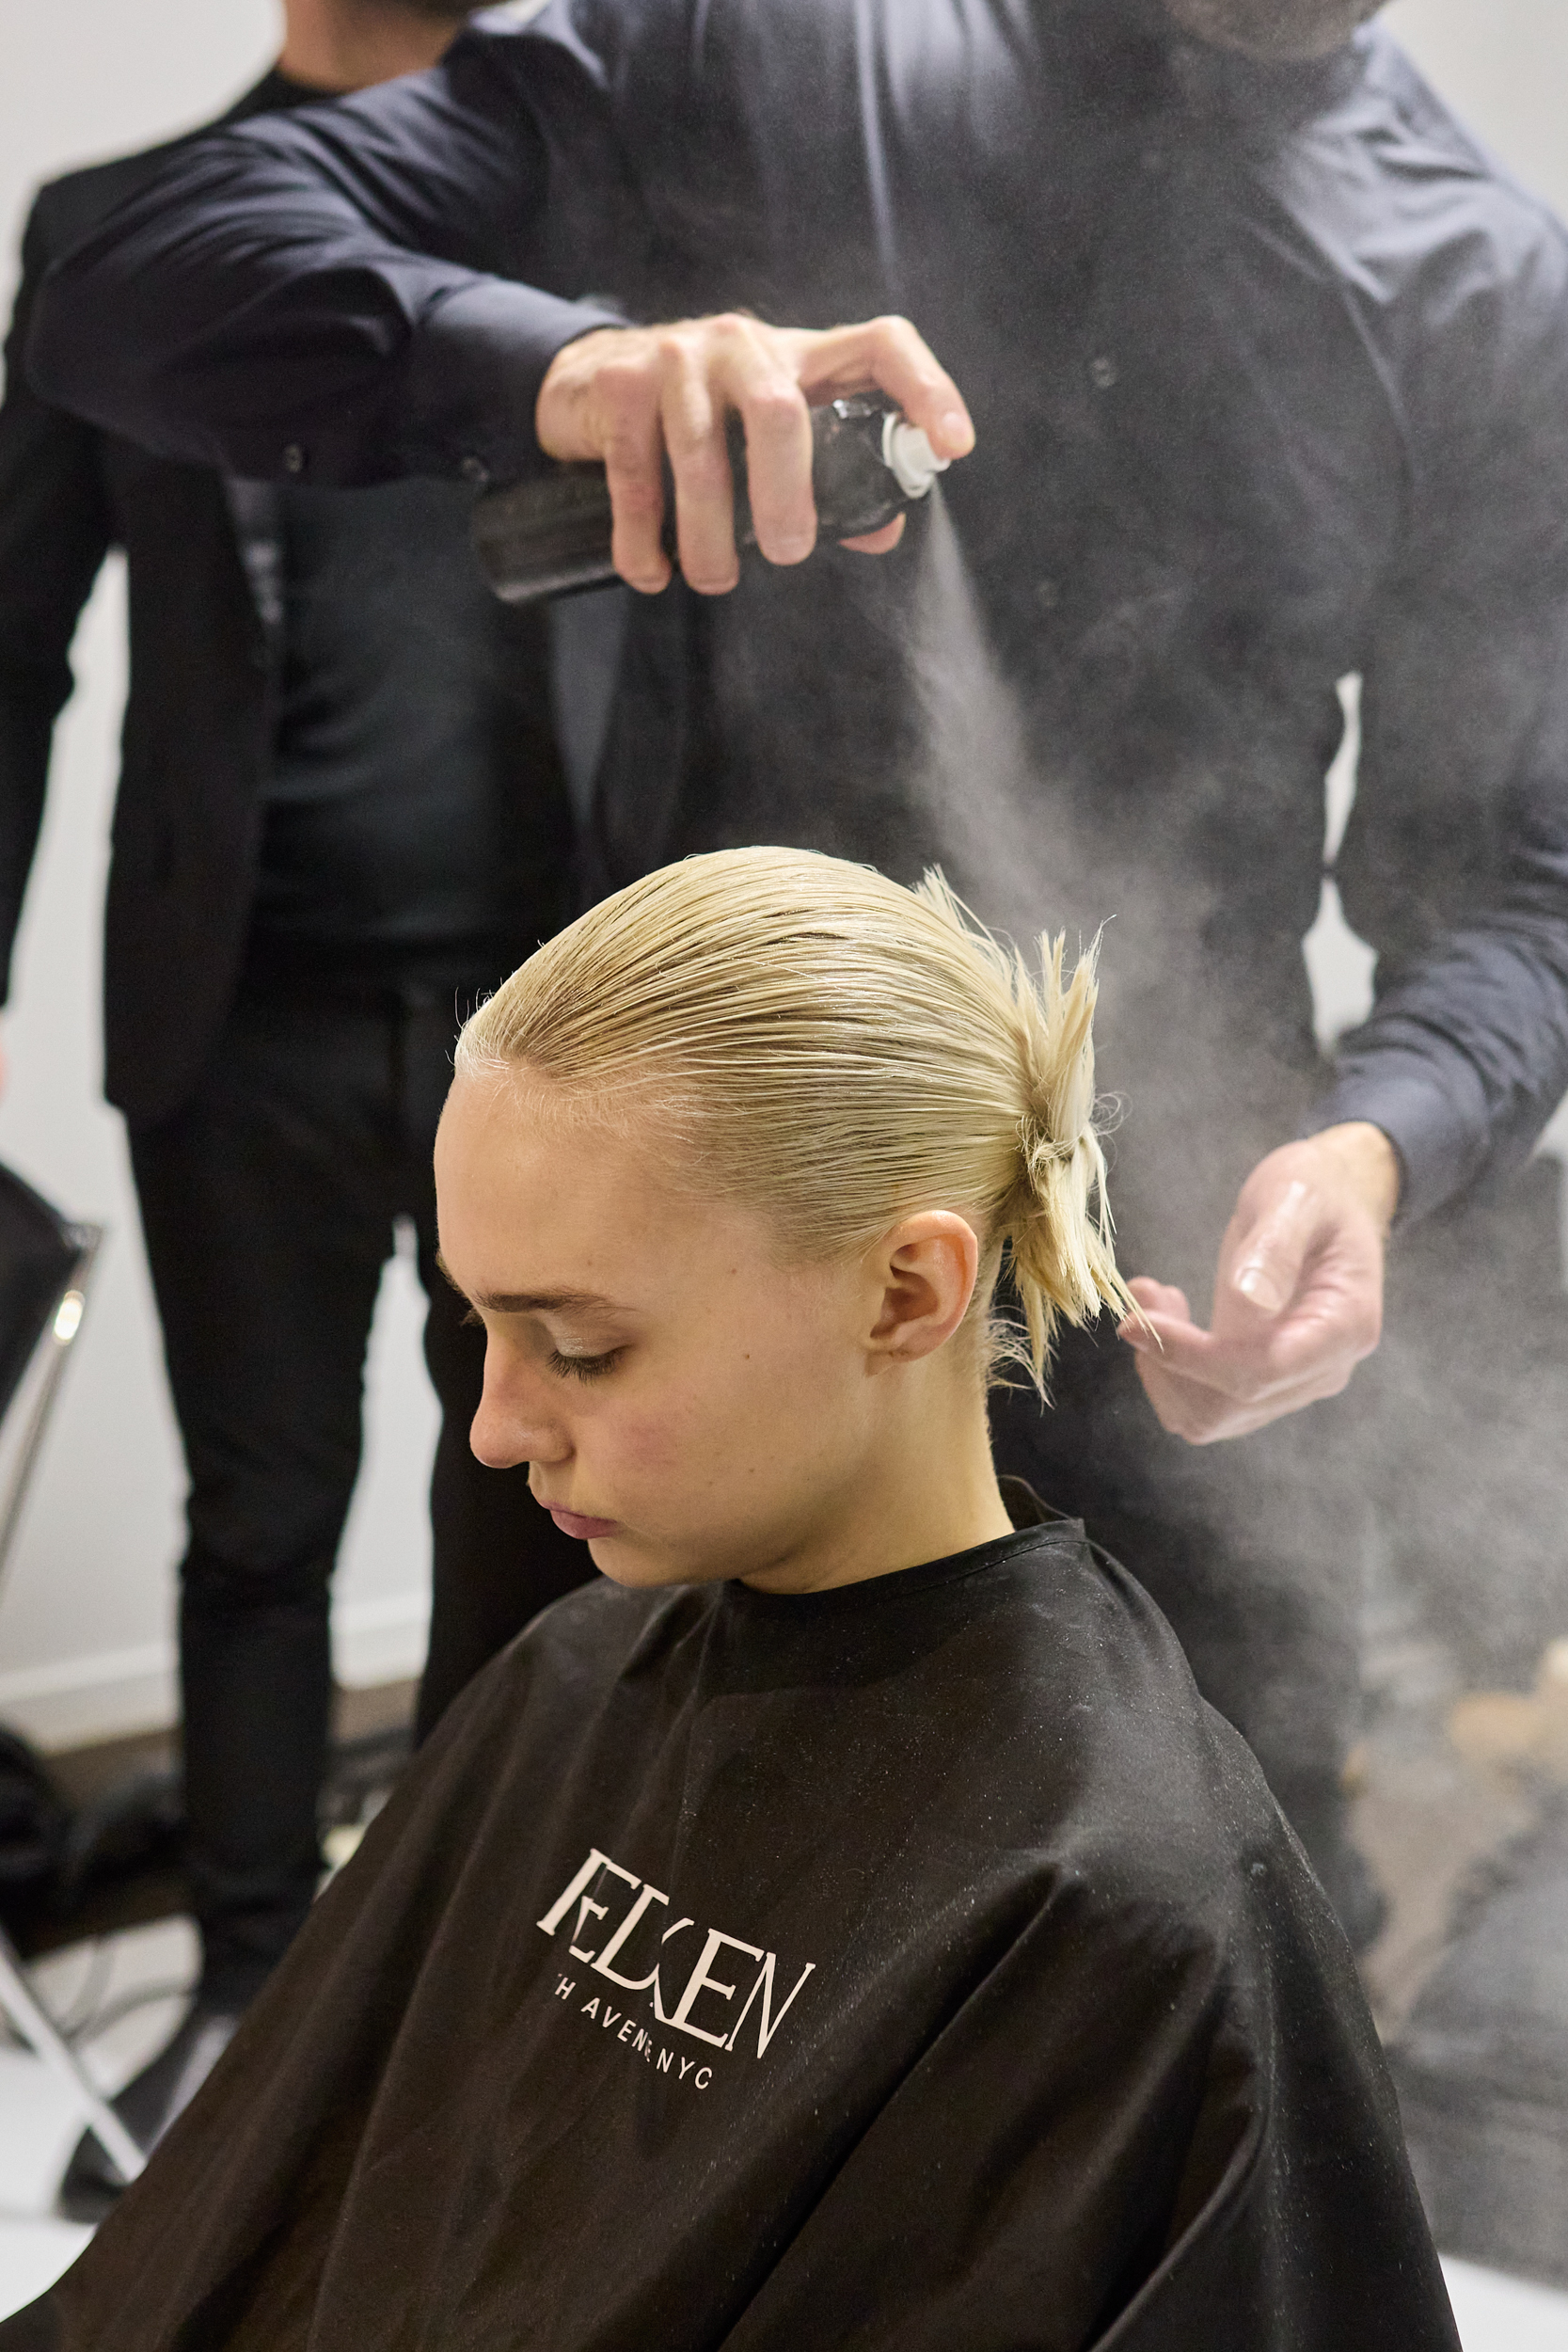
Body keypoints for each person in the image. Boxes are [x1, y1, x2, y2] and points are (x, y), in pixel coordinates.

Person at [24, 0, 1568, 1947]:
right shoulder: (745, 41)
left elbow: (1513, 881)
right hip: (682, 1248)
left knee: (1162, 2019)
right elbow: (123, 278)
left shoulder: (1485, 285)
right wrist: (564, 366)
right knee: (570, 1978)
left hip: (1159, 1289)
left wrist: (1376, 1149)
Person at [0, 849, 1460, 2352]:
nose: (495, 1427)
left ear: (906, 1292)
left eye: (578, 1345)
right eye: (476, 1319)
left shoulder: (1109, 1904)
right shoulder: (575, 1676)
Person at [0, 0, 594, 2192]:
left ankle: (446, 1987)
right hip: (235, 1006)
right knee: (257, 1525)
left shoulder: (571, 220)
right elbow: (16, 645)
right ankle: (254, 1990)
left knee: (516, 1521)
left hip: (539, 1020)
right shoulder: (125, 238)